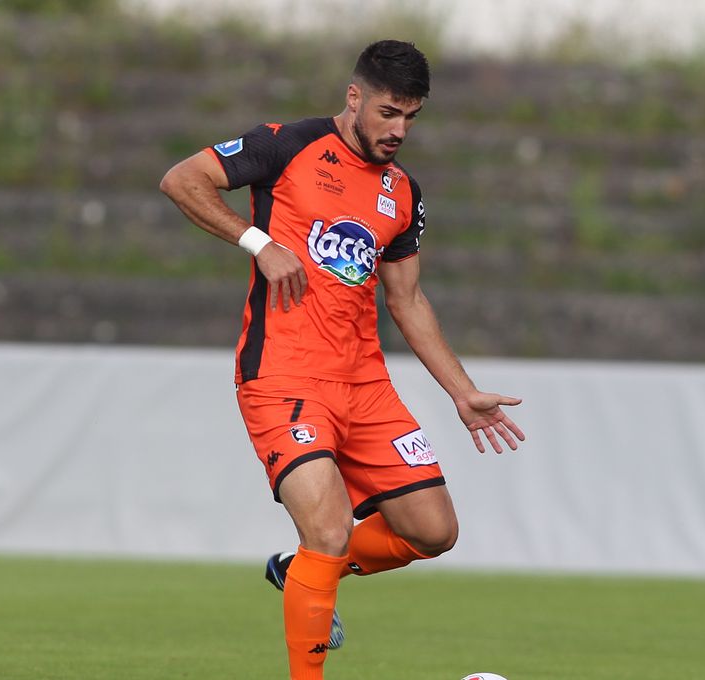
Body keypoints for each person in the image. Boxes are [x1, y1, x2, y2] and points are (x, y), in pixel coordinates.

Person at [159, 39, 525, 680]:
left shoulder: (402, 192)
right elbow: (181, 180)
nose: (399, 130)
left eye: (411, 117)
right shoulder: (286, 144)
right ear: (354, 97)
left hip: (365, 384)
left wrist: (461, 392)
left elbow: (407, 300)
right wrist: (258, 243)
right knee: (326, 530)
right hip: (283, 377)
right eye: (388, 113)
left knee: (432, 531)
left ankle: (298, 572)